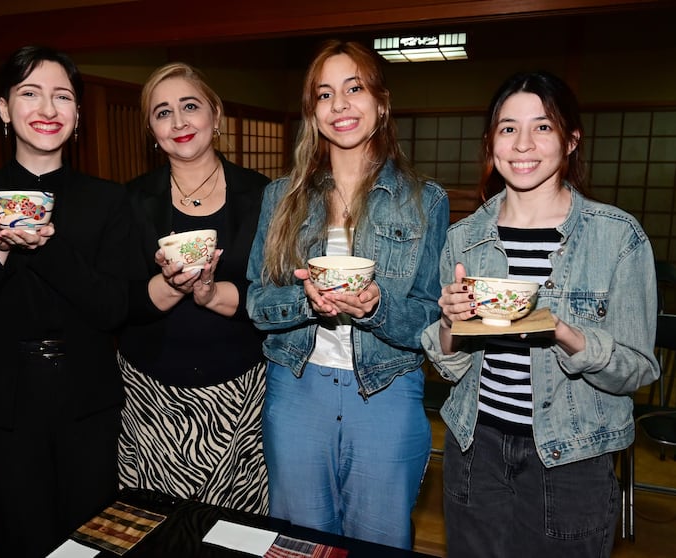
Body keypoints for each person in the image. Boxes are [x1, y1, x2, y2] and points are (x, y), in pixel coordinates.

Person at [421, 71, 660, 557]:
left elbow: (638, 369)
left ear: (571, 140)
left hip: (573, 460)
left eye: (543, 127)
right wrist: (449, 325)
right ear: (491, 143)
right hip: (476, 449)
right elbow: (450, 366)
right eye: (508, 128)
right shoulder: (464, 237)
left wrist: (568, 335)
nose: (523, 144)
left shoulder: (616, 238)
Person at [246, 40, 449, 549]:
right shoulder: (281, 197)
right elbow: (256, 302)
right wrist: (305, 302)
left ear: (381, 103)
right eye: (324, 94)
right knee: (300, 540)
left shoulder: (426, 200)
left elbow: (430, 316)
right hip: (296, 387)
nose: (339, 105)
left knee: (378, 540)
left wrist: (377, 306)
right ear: (312, 113)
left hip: (385, 388)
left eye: (354, 89)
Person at [0, 46, 131, 558]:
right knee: (23, 544)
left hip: (87, 403)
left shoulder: (108, 200)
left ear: (77, 114)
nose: (47, 109)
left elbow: (113, 309)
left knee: (91, 546)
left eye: (62, 96)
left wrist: (47, 246)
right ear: (4, 109)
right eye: (29, 94)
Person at [117, 62, 270, 514]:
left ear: (215, 114)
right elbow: (116, 302)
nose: (179, 122)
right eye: (162, 113)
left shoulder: (263, 194)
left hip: (241, 391)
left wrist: (210, 293)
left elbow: (274, 293)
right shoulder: (129, 200)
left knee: (235, 528)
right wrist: (166, 285)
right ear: (151, 129)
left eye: (190, 106)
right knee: (155, 523)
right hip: (151, 394)